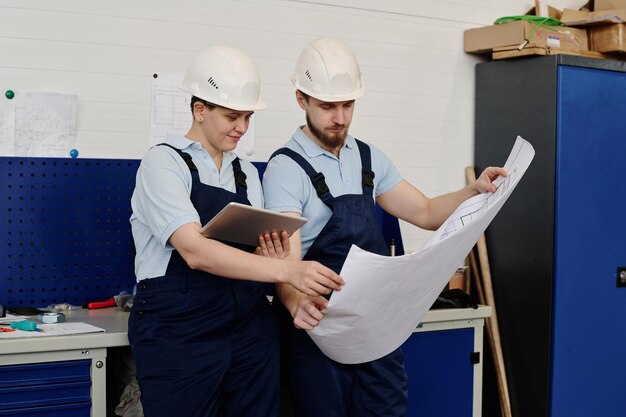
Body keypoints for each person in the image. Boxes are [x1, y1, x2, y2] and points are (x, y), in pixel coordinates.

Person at [262, 37, 506, 417]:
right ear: (301, 99)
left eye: (347, 105)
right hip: (317, 327)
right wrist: (297, 303)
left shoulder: (367, 157)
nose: (339, 117)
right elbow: (285, 265)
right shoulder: (285, 169)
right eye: (327, 106)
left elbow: (425, 211)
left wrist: (472, 191)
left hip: (374, 327)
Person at [128, 45, 344, 417]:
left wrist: (278, 265)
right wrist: (290, 269)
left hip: (247, 326)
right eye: (232, 116)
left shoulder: (245, 172)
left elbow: (256, 257)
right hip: (180, 329)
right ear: (200, 110)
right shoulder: (162, 163)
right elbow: (193, 251)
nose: (242, 128)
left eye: (247, 117)